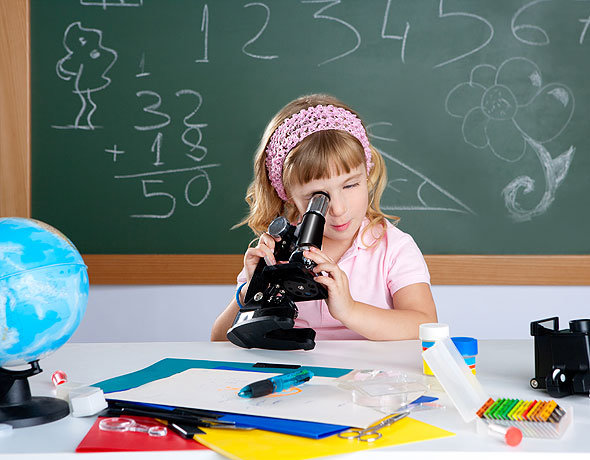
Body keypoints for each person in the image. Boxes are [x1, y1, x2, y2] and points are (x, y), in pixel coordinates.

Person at [211, 94, 437, 341]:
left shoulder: (393, 248)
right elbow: (219, 340)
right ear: (289, 196)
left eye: (350, 185)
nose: (338, 209)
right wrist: (252, 290)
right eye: (317, 197)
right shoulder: (279, 250)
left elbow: (424, 324)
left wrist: (349, 310)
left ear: (367, 174)